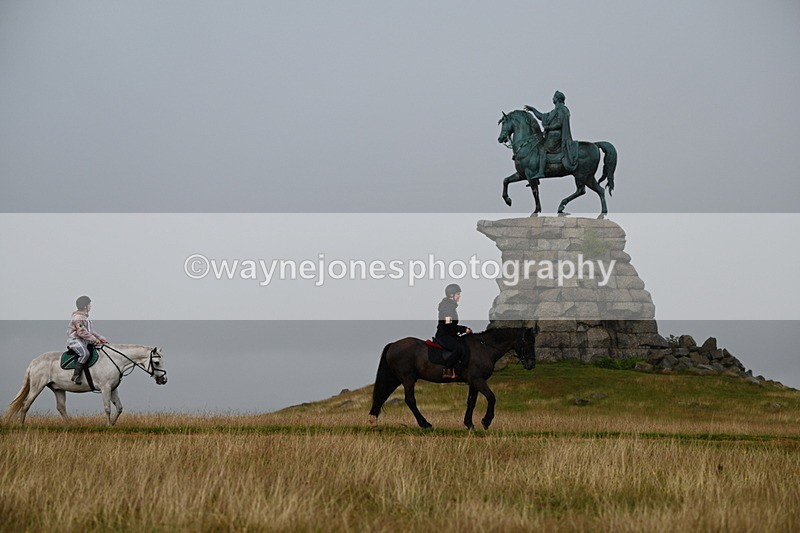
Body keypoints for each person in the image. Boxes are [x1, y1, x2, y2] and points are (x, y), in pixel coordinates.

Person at [524, 90, 580, 176]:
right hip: (551, 135)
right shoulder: (554, 111)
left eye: (554, 97)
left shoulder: (562, 110)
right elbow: (542, 116)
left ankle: (541, 172)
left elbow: (560, 123)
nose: (552, 98)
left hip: (556, 136)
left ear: (557, 99)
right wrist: (533, 110)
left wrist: (548, 127)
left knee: (542, 149)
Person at [67, 295, 108, 385]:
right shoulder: (78, 318)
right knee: (85, 353)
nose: (91, 306)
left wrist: (100, 338)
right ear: (85, 306)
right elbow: (81, 332)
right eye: (89, 304)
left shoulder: (85, 318)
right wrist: (94, 340)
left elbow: (90, 331)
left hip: (84, 340)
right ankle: (76, 375)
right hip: (75, 340)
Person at [434, 284, 472, 379]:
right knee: (458, 348)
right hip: (444, 336)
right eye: (458, 294)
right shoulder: (447, 308)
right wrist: (464, 329)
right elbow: (449, 324)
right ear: (452, 295)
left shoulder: (451, 306)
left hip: (450, 334)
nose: (459, 296)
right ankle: (447, 370)